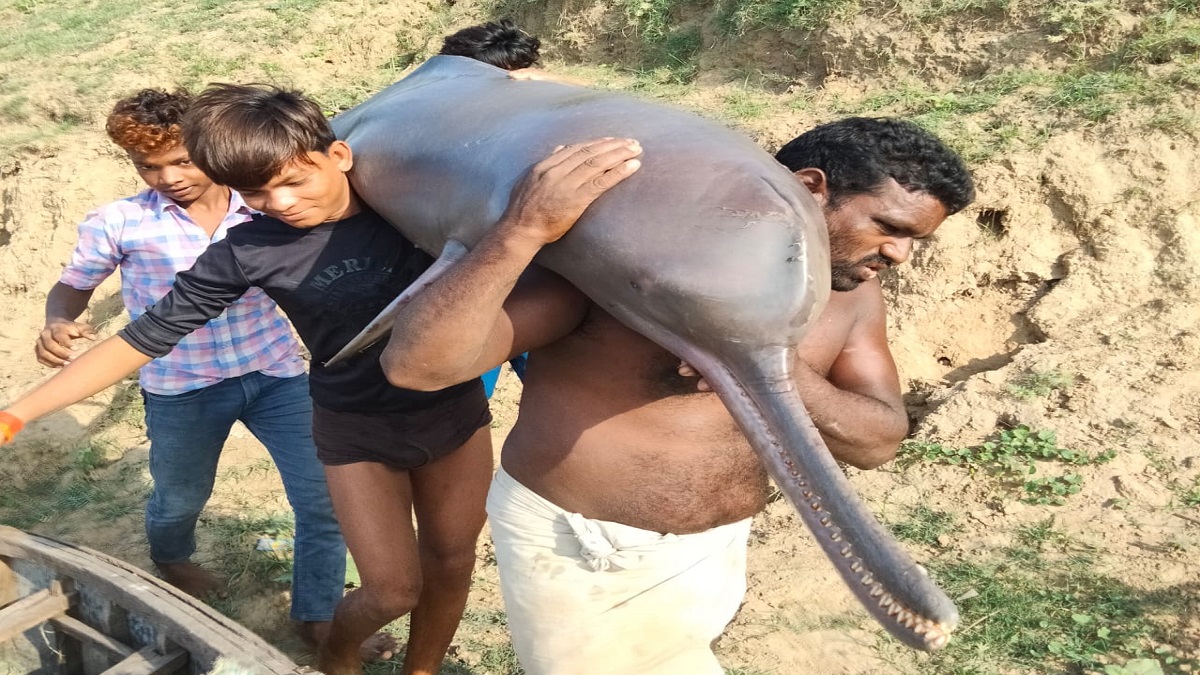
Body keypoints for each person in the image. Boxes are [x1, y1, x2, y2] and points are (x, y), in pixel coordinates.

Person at [0, 84, 639, 675]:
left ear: (336, 154)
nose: (280, 204)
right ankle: (337, 655)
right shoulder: (248, 249)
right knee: (392, 587)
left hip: (453, 413)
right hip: (353, 426)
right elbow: (141, 338)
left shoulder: (410, 205)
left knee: (451, 562)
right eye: (254, 195)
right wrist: (16, 414)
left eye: (292, 180)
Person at [376, 117, 975, 673]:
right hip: (580, 552)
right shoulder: (630, 257)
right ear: (810, 189)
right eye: (890, 228)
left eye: (914, 240)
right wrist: (520, 232)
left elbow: (877, 440)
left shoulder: (851, 292)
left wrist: (771, 362)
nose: (899, 254)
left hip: (714, 550)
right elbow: (419, 367)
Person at [27, 88, 347, 645]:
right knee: (179, 497)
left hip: (276, 375)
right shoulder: (119, 223)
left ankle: (318, 615)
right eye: (148, 167)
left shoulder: (266, 205)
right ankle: (171, 557)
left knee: (323, 496)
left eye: (182, 160)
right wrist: (58, 320)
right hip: (180, 387)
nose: (168, 177)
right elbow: (73, 285)